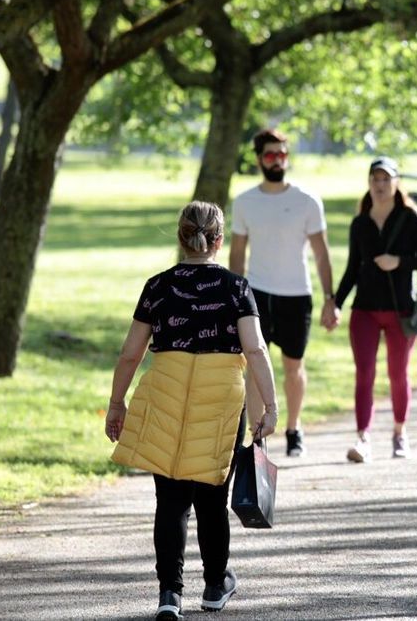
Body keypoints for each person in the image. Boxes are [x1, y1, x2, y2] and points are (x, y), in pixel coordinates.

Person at [105, 201, 280, 621]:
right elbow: (254, 348)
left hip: (164, 390)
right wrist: (271, 406)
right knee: (211, 497)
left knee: (170, 501)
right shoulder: (237, 288)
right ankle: (216, 584)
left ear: (182, 235)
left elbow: (132, 353)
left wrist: (117, 402)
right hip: (220, 395)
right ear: (218, 240)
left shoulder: (157, 286)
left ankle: (169, 594)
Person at [229, 128, 339, 457]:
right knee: (254, 364)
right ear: (259, 159)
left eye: (282, 155)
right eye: (270, 155)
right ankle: (257, 433)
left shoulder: (307, 200)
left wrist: (330, 298)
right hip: (255, 295)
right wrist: (233, 297)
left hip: (296, 295)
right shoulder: (245, 201)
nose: (277, 161)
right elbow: (237, 253)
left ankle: (293, 429)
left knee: (294, 367)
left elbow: (321, 253)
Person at [333, 157, 417, 462]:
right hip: (364, 309)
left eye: (385, 179)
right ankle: (363, 437)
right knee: (364, 373)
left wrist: (399, 261)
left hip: (401, 311)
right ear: (369, 183)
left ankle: (399, 433)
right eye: (374, 180)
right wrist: (336, 304)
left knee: (398, 373)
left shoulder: (410, 217)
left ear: (396, 183)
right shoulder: (360, 222)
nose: (379, 185)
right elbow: (353, 268)